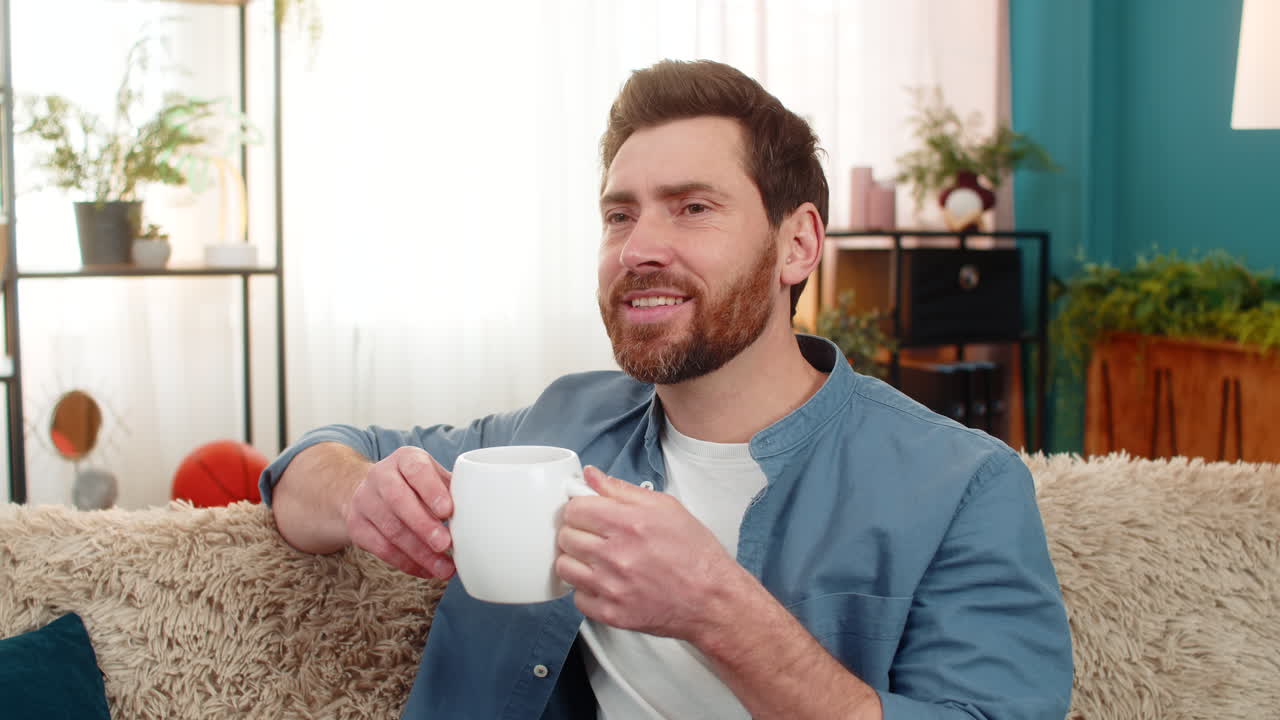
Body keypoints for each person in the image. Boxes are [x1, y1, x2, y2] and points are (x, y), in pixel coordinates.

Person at [261, 59, 1073, 719]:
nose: (639, 248)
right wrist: (361, 492)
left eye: (691, 207)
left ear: (797, 246)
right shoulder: (559, 423)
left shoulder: (965, 486)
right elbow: (307, 469)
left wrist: (718, 608)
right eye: (619, 216)